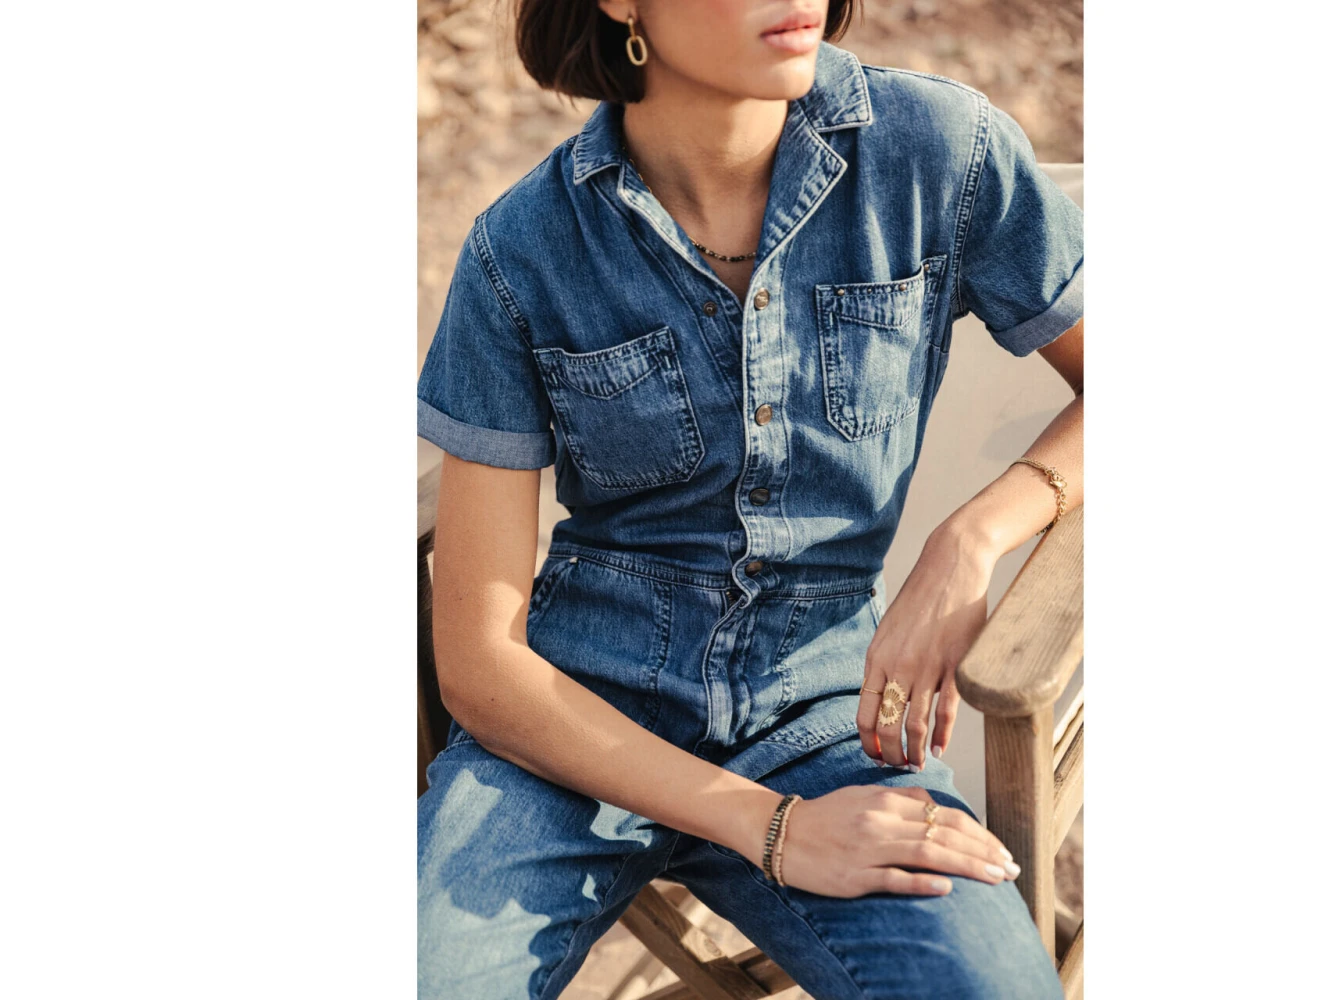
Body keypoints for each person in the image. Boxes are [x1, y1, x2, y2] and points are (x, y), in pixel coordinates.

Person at [416, 1, 1083, 996]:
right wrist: (770, 827)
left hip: (834, 713)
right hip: (576, 726)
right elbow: (481, 664)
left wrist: (972, 538)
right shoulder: (521, 252)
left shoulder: (937, 153)